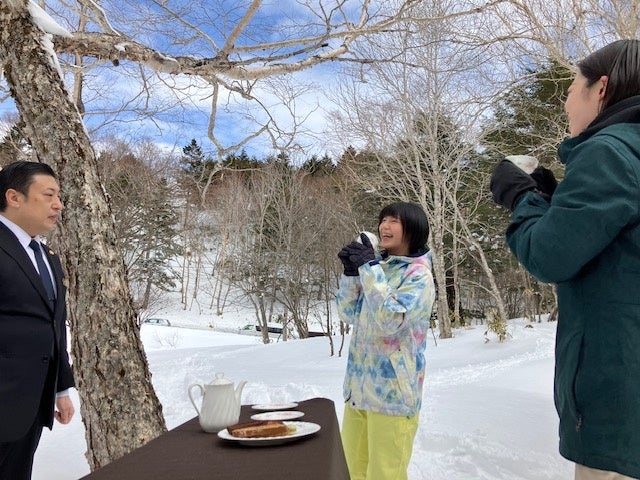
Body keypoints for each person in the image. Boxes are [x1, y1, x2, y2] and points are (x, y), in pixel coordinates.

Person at [490, 39, 640, 480]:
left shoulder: (610, 150)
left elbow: (550, 255)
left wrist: (520, 196)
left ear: (601, 88)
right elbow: (609, 240)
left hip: (618, 395)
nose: (564, 99)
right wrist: (551, 197)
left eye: (572, 87)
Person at [336, 201, 436, 480]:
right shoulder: (379, 268)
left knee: (384, 475)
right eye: (383, 220)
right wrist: (351, 275)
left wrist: (368, 268)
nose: (384, 226)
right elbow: (347, 314)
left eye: (394, 221)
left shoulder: (419, 276)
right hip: (358, 392)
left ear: (413, 229)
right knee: (352, 471)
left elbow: (390, 320)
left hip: (392, 398)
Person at [0, 161, 75, 479]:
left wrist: (61, 389)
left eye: (59, 195)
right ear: (14, 197)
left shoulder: (46, 256)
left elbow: (54, 325)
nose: (58, 204)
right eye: (48, 194)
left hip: (30, 406)